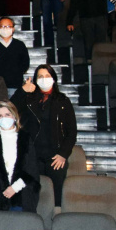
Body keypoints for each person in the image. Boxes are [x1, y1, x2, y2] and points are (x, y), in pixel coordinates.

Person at [11, 65, 77, 207]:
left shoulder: (63, 101)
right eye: (40, 76)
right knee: (33, 192)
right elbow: (10, 108)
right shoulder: (29, 99)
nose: (44, 79)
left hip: (55, 156)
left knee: (56, 194)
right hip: (33, 154)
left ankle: (56, 218)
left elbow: (72, 132)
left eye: (47, 76)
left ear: (53, 79)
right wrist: (22, 91)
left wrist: (63, 154)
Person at [66, 0, 115, 64]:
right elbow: (74, 4)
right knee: (88, 43)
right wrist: (69, 21)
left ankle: (102, 65)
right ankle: (90, 66)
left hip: (100, 18)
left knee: (101, 42)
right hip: (85, 19)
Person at [0, 17, 30, 90]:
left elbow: (25, 64)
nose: (5, 29)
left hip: (15, 86)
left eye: (8, 26)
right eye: (2, 26)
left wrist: (16, 74)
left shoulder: (19, 45)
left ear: (13, 29)